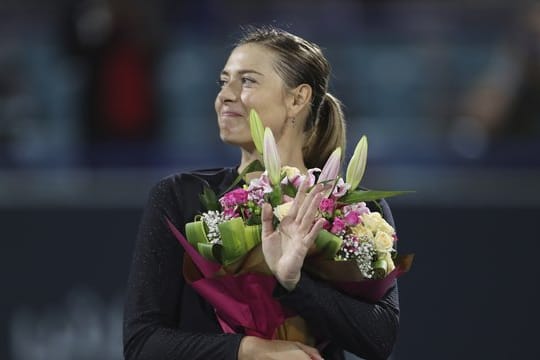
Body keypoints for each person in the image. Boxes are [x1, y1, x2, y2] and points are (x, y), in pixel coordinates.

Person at [123, 26, 399, 360]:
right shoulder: (181, 198)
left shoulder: (357, 212)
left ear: (297, 99)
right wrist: (249, 350)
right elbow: (143, 344)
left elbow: (379, 339)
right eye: (224, 81)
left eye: (247, 80)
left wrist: (294, 283)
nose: (225, 95)